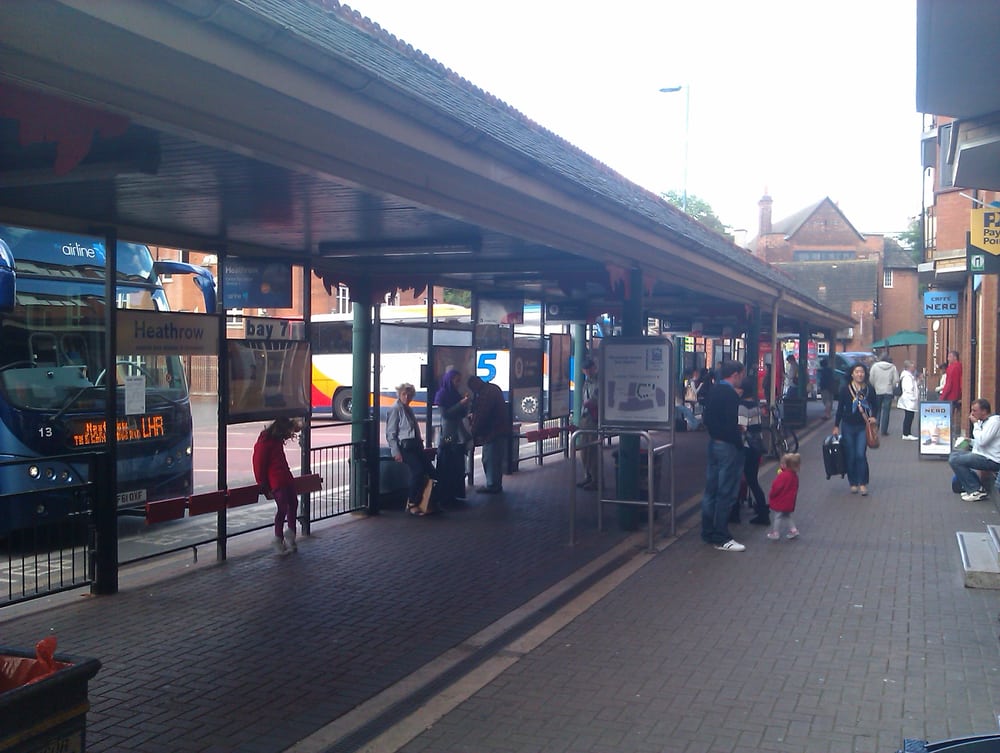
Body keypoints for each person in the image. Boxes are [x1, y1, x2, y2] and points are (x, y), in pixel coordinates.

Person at [699, 359, 747, 552]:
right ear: (735, 374)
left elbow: (708, 419)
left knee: (710, 491)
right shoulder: (731, 395)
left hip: (714, 444)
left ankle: (707, 532)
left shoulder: (713, 391)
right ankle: (721, 536)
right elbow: (731, 424)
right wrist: (739, 440)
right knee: (725, 492)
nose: (742, 379)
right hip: (728, 447)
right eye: (741, 375)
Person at [252, 416, 303, 555]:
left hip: (283, 477)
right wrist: (262, 483)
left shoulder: (273, 440)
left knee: (291, 504)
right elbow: (259, 465)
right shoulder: (266, 443)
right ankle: (280, 536)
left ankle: (287, 535)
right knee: (284, 507)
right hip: (277, 480)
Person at [386, 383, 436, 516]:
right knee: (418, 471)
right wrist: (396, 452)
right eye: (404, 394)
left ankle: (425, 501)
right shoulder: (395, 409)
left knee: (431, 471)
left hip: (415, 445)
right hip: (405, 447)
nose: (406, 397)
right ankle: (412, 503)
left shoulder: (408, 409)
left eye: (409, 394)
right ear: (399, 394)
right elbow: (391, 433)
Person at [832, 363, 879, 496]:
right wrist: (836, 425)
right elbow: (840, 409)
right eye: (857, 372)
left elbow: (875, 405)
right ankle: (853, 482)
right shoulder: (845, 390)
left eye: (862, 372)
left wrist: (874, 417)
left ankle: (863, 483)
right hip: (847, 426)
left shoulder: (869, 389)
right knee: (851, 456)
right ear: (852, 374)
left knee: (860, 454)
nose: (860, 374)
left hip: (863, 427)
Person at [948, 398, 1000, 501]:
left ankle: (976, 490)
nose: (972, 413)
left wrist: (975, 424)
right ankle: (972, 486)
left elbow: (982, 441)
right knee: (955, 455)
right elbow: (982, 441)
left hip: (992, 459)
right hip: (983, 455)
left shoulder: (994, 422)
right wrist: (970, 441)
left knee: (955, 460)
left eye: (975, 411)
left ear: (984, 411)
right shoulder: (983, 422)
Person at [468, 375, 512, 494]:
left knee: (490, 459)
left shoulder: (486, 394)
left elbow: (482, 414)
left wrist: (473, 430)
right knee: (495, 459)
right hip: (500, 430)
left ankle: (492, 485)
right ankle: (495, 484)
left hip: (493, 432)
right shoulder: (493, 388)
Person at [433, 368, 472, 506]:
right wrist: (460, 404)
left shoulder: (455, 394)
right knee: (447, 461)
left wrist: (464, 405)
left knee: (456, 465)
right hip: (448, 436)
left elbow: (460, 413)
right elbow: (446, 414)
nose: (457, 384)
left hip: (456, 435)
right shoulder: (443, 395)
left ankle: (453, 494)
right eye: (456, 381)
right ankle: (445, 496)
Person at [737, 375, 769, 526]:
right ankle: (763, 510)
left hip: (747, 448)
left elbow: (742, 428)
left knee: (741, 480)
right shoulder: (756, 406)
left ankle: (736, 513)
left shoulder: (743, 406)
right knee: (753, 481)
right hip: (756, 447)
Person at [576, 358, 599, 490]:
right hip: (585, 418)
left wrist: (593, 402)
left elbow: (601, 398)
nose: (588, 371)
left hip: (593, 419)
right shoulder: (586, 382)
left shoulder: (599, 382)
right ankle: (588, 476)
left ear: (594, 367)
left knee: (592, 450)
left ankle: (596, 480)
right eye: (585, 369)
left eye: (589, 368)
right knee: (584, 450)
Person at [766, 453, 801, 541]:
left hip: (781, 500)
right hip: (789, 500)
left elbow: (776, 487)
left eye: (782, 464)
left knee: (778, 516)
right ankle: (794, 530)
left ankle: (775, 533)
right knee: (787, 515)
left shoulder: (783, 476)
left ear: (787, 465)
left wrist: (771, 495)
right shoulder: (794, 475)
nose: (780, 465)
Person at [869, 354, 899, 436]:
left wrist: (875, 385)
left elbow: (871, 378)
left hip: (877, 390)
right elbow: (896, 379)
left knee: (877, 410)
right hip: (888, 391)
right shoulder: (893, 367)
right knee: (886, 411)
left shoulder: (875, 366)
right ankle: (884, 430)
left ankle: (876, 427)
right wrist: (891, 386)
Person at [940, 350, 963, 432]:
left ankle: (946, 431)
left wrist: (943, 396)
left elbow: (949, 384)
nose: (948, 359)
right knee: (958, 413)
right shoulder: (960, 366)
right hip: (958, 395)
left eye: (949, 357)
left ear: (955, 357)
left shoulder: (952, 368)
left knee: (948, 415)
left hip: (951, 396)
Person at [898, 360, 920, 440]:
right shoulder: (907, 376)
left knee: (909, 416)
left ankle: (907, 433)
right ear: (909, 367)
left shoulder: (909, 375)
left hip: (909, 399)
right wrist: (913, 397)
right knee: (909, 416)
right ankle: (906, 433)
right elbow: (908, 388)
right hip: (909, 399)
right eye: (913, 366)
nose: (914, 368)